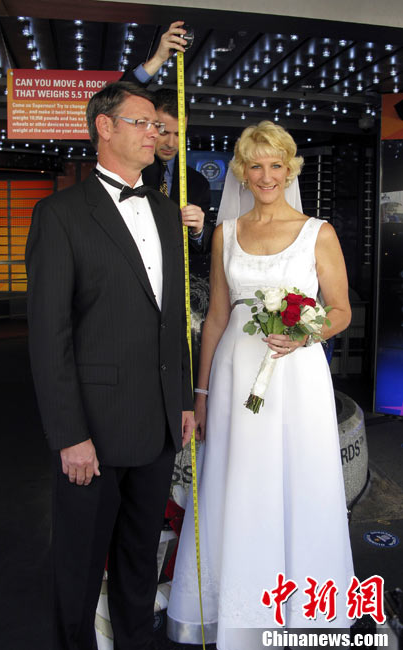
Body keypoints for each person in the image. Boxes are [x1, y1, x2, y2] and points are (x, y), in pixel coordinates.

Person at [167, 120, 354, 649]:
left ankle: (302, 610)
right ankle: (239, 613)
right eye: (256, 166)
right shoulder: (226, 233)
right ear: (242, 173)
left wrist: (304, 333)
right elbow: (217, 318)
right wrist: (202, 394)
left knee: (300, 480)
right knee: (238, 482)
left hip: (297, 376)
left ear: (290, 170)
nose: (267, 175)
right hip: (234, 376)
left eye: (276, 165)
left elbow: (340, 310)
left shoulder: (319, 232)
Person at [26, 80, 194, 650]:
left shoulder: (167, 213)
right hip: (92, 432)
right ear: (104, 126)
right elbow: (49, 335)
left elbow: (173, 318)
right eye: (143, 123)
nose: (156, 133)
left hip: (160, 425)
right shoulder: (59, 214)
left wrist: (183, 401)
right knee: (79, 562)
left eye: (158, 126)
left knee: (141, 555)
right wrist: (69, 434)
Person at [122, 21, 214, 256]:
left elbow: (204, 248)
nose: (171, 143)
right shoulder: (128, 167)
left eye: (178, 134)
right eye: (163, 131)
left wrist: (199, 231)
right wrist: (158, 59)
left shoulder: (198, 183)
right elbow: (118, 98)